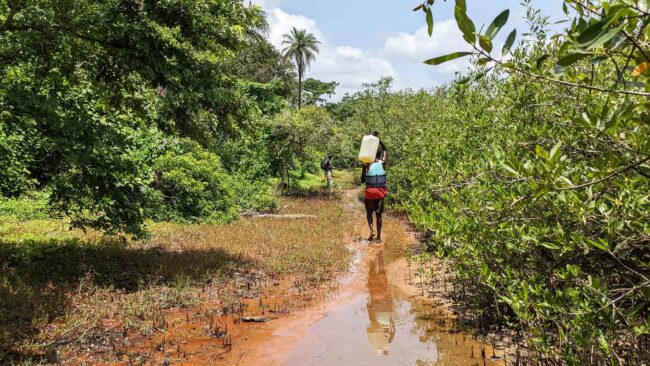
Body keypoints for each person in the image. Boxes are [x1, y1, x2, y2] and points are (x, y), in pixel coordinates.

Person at [361, 137, 388, 243]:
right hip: (380, 192)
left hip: (370, 193)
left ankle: (372, 230)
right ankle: (379, 238)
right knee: (379, 215)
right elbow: (385, 150)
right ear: (379, 156)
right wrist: (379, 141)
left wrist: (364, 168)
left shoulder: (367, 165)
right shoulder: (382, 163)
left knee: (369, 213)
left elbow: (363, 180)